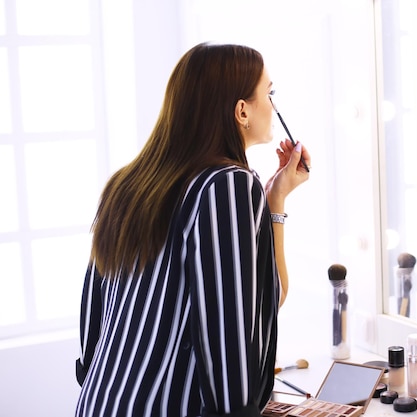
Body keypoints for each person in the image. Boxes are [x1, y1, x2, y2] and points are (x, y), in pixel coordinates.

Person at [74, 43, 311, 417]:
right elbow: (231, 338)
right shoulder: (226, 186)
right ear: (242, 110)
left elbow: (92, 319)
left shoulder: (127, 184)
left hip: (98, 402)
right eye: (270, 92)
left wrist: (274, 199)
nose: (274, 105)